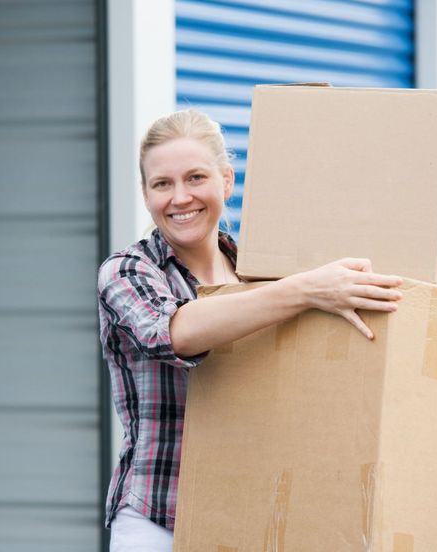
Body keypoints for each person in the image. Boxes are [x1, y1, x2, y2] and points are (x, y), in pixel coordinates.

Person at [97, 109, 403, 552]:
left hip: (248, 518)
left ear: (226, 181)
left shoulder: (258, 275)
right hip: (159, 520)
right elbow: (173, 332)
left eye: (196, 177)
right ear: (146, 195)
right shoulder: (127, 271)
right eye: (162, 184)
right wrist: (306, 289)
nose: (180, 197)